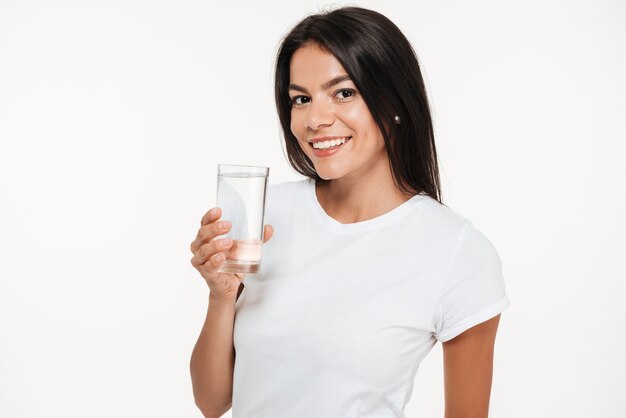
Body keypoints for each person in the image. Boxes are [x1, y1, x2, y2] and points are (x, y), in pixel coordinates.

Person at [189, 6, 510, 418]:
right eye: (300, 99)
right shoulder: (269, 213)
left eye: (343, 92)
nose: (316, 119)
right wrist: (221, 295)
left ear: (393, 99)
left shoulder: (457, 251)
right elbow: (212, 401)